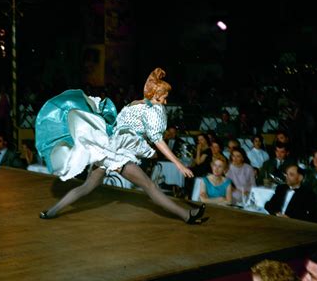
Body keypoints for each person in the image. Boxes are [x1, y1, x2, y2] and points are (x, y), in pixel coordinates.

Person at [35, 68, 205, 224]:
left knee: (86, 187)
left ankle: (51, 212)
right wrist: (178, 164)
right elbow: (158, 140)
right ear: (157, 96)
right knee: (150, 186)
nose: (166, 102)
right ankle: (186, 215)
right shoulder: (153, 111)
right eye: (165, 98)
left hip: (107, 150)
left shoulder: (136, 104)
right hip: (117, 153)